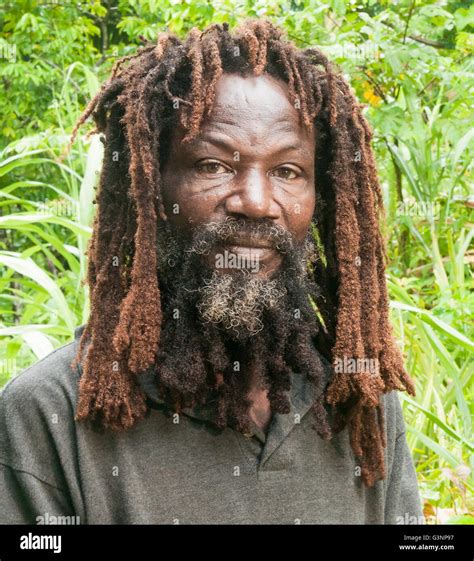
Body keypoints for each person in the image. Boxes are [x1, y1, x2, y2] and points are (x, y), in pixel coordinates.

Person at [0, 19, 423, 524]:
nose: (256, 203)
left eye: (288, 171)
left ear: (323, 200)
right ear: (150, 189)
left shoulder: (358, 398)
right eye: (213, 165)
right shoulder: (49, 414)